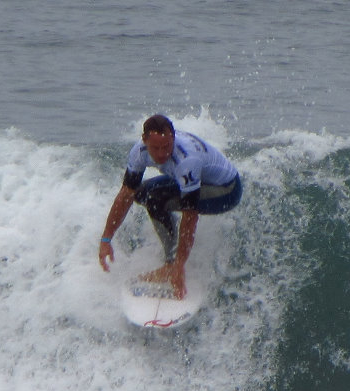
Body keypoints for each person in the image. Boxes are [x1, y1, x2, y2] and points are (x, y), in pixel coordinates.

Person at [98, 114, 242, 299]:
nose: (161, 154)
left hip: (225, 190)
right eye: (155, 148)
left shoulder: (186, 160)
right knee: (142, 193)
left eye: (166, 147)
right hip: (198, 181)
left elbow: (190, 216)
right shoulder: (139, 152)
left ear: (172, 138)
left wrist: (179, 266)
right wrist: (106, 240)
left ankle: (172, 265)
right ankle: (173, 255)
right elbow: (126, 194)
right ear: (144, 141)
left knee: (156, 199)